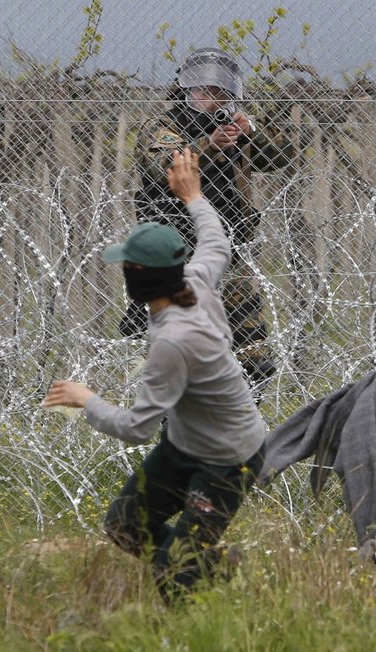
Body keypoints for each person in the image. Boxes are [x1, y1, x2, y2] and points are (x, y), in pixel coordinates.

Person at [42, 148, 265, 601]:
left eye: (127, 265)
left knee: (173, 571)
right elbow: (216, 243)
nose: (124, 271)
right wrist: (194, 196)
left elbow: (137, 428)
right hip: (186, 445)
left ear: (140, 275)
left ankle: (192, 608)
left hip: (226, 460)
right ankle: (222, 569)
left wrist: (87, 400)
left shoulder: (172, 342)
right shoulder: (194, 280)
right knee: (124, 526)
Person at [122, 47, 296, 386]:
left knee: (253, 356)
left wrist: (252, 131)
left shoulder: (234, 131)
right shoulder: (162, 127)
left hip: (225, 248)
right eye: (203, 91)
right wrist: (210, 147)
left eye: (219, 92)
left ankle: (243, 421)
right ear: (186, 91)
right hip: (176, 251)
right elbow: (167, 167)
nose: (211, 99)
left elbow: (282, 157)